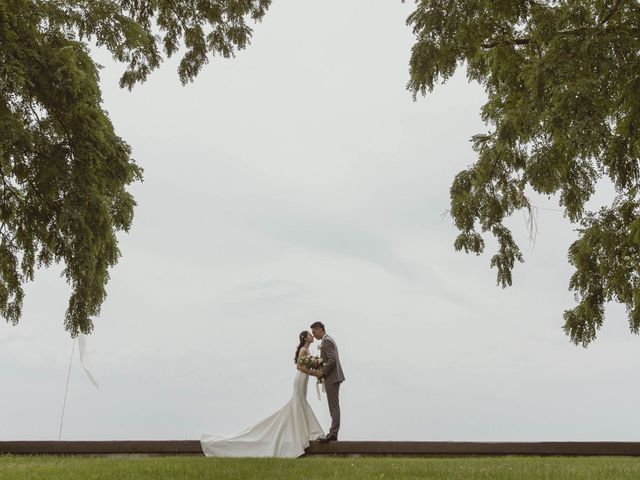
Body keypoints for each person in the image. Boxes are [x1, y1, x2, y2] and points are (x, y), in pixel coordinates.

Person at [200, 331, 324, 457]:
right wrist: (313, 373)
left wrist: (315, 368)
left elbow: (306, 365)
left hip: (304, 379)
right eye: (310, 334)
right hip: (300, 379)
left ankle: (305, 432)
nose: (312, 336)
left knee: (301, 402)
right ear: (305, 338)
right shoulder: (303, 350)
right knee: (298, 402)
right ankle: (302, 435)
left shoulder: (307, 351)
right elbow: (298, 366)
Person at [310, 321, 345, 442]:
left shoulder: (327, 341)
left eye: (314, 332)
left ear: (320, 329)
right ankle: (333, 432)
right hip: (333, 377)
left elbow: (332, 359)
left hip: (332, 377)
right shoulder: (328, 340)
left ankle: (333, 433)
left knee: (334, 406)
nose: (314, 336)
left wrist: (322, 372)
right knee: (333, 406)